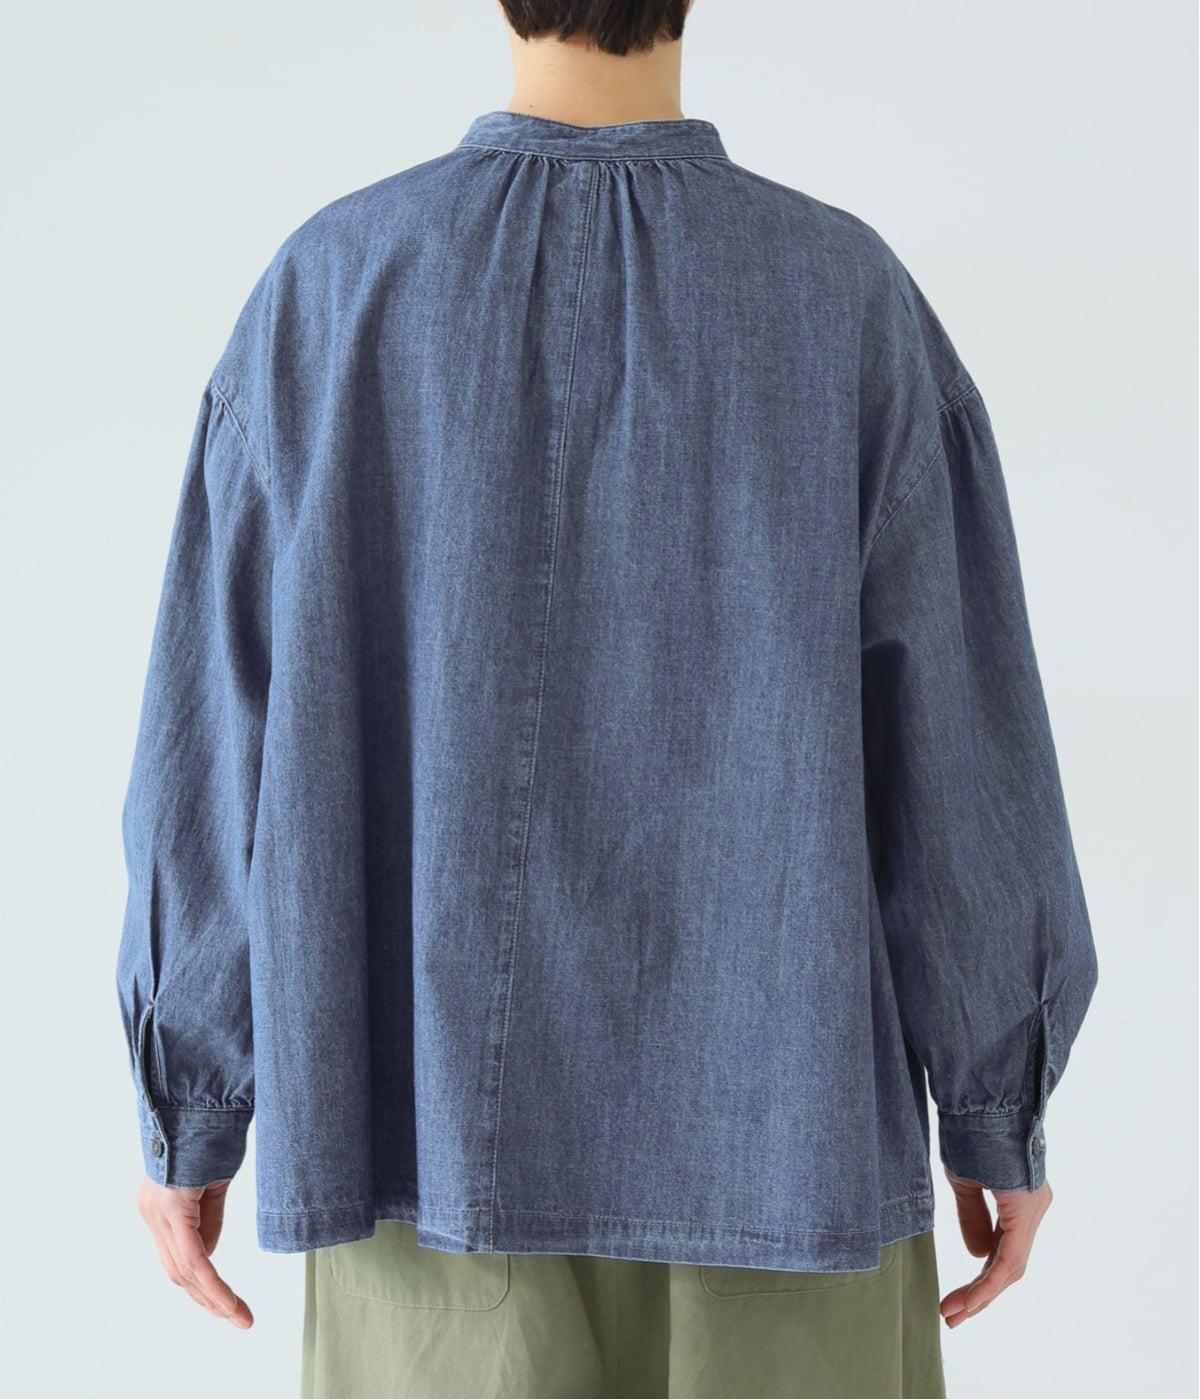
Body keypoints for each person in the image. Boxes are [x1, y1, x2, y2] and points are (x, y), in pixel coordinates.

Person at [117, 2, 1099, 1396]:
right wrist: (999, 1106)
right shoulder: (846, 297)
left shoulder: (330, 290)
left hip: (433, 1167)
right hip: (788, 1153)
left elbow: (213, 748)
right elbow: (964, 747)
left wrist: (191, 1106)